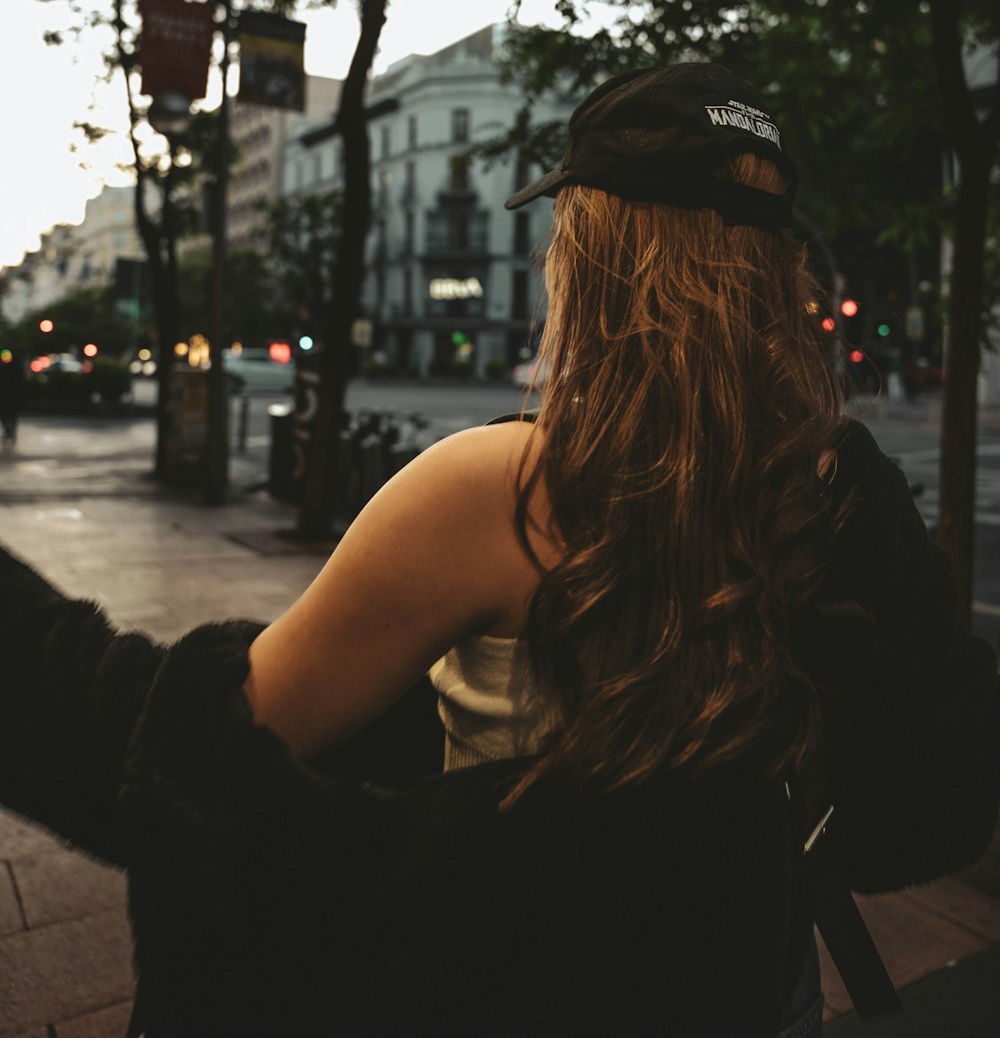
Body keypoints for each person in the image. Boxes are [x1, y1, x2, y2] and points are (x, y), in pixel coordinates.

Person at [0, 62, 997, 1038]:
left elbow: (191, 752)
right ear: (778, 265)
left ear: (590, 252)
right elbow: (937, 791)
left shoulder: (502, 492)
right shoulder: (838, 480)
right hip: (751, 992)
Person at [0, 349, 25, 445]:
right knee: (9, 415)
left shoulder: (12, 369)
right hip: (8, 396)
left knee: (9, 415)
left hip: (9, 396)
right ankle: (10, 430)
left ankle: (10, 431)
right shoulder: (12, 369)